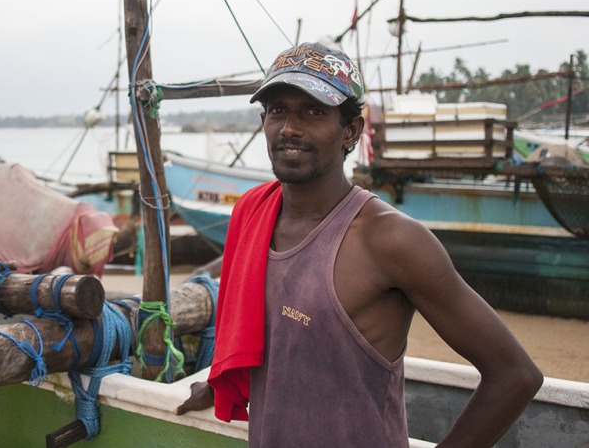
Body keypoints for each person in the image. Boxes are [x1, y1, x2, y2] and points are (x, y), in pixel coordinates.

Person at [175, 41, 543, 447]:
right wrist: (218, 384)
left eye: (313, 111)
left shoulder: (389, 239)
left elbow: (515, 376)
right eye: (278, 110)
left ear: (350, 129)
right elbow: (267, 339)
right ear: (264, 120)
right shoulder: (254, 218)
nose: (290, 128)